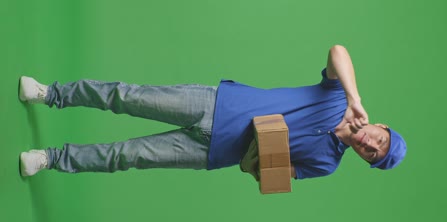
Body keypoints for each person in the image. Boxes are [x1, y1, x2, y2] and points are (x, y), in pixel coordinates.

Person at [19, 45, 406, 179]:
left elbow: (272, 173)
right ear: (381, 126)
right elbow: (338, 51)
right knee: (125, 96)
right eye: (380, 139)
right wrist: (355, 98)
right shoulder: (339, 97)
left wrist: (255, 164)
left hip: (211, 153)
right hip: (217, 104)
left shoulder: (327, 165)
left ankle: (50, 159)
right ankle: (50, 93)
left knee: (127, 156)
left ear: (364, 158)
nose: (370, 144)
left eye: (374, 153)